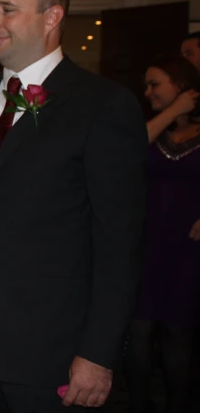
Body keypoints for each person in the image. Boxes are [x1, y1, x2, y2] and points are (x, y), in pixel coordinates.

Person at [0, 0, 147, 412]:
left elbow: (119, 244)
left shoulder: (104, 104)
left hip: (51, 348)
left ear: (52, 18)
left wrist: (99, 353)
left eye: (7, 9)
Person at [126, 54, 200, 413]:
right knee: (138, 332)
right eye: (146, 86)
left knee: (177, 333)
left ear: (182, 86)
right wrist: (172, 112)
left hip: (188, 248)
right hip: (147, 244)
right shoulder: (153, 129)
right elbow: (128, 151)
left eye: (156, 84)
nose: (148, 91)